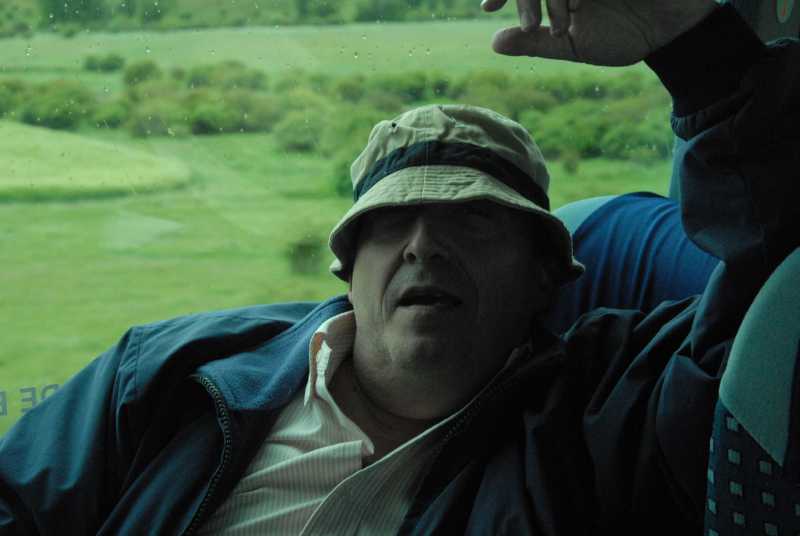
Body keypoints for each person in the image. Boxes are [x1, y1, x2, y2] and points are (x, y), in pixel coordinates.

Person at [0, 0, 797, 534]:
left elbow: (780, 308)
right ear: (347, 269)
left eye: (473, 218)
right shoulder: (164, 374)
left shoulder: (607, 418)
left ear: (546, 274)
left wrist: (695, 47)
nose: (423, 245)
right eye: (390, 224)